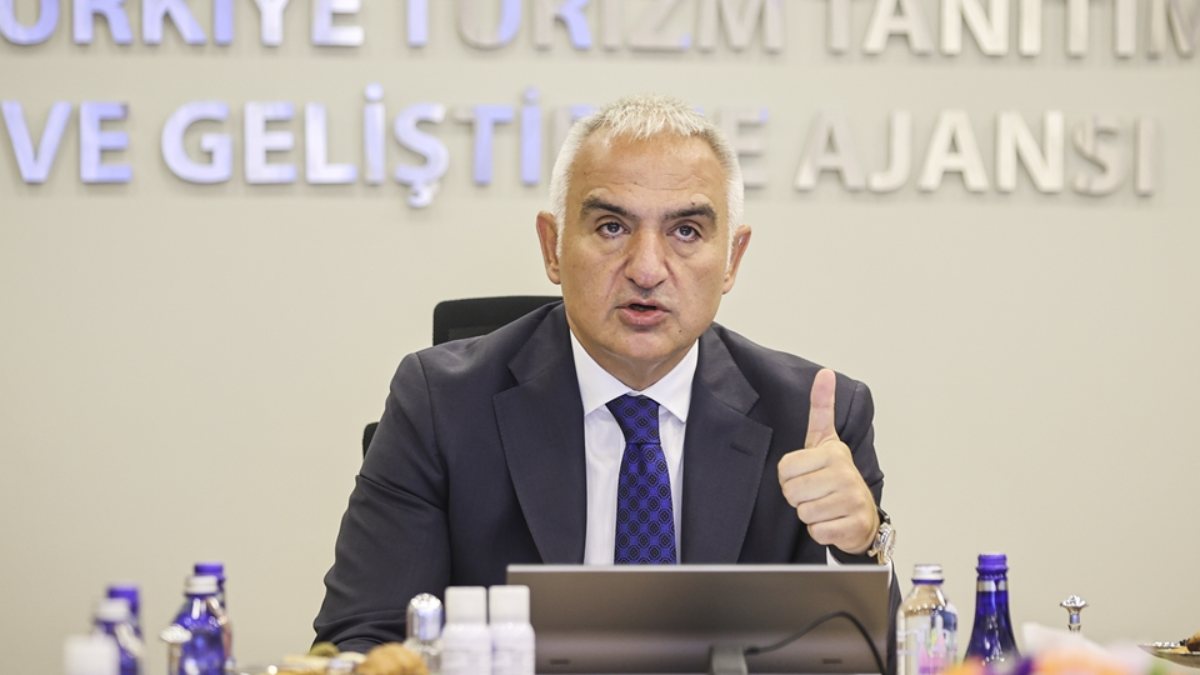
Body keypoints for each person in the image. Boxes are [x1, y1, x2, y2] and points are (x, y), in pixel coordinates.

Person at [314, 95, 899, 657]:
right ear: (552, 247)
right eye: (612, 227)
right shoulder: (441, 405)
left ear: (732, 260)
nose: (646, 269)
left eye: (686, 231)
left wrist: (858, 548)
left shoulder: (811, 421)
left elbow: (880, 657)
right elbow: (364, 636)